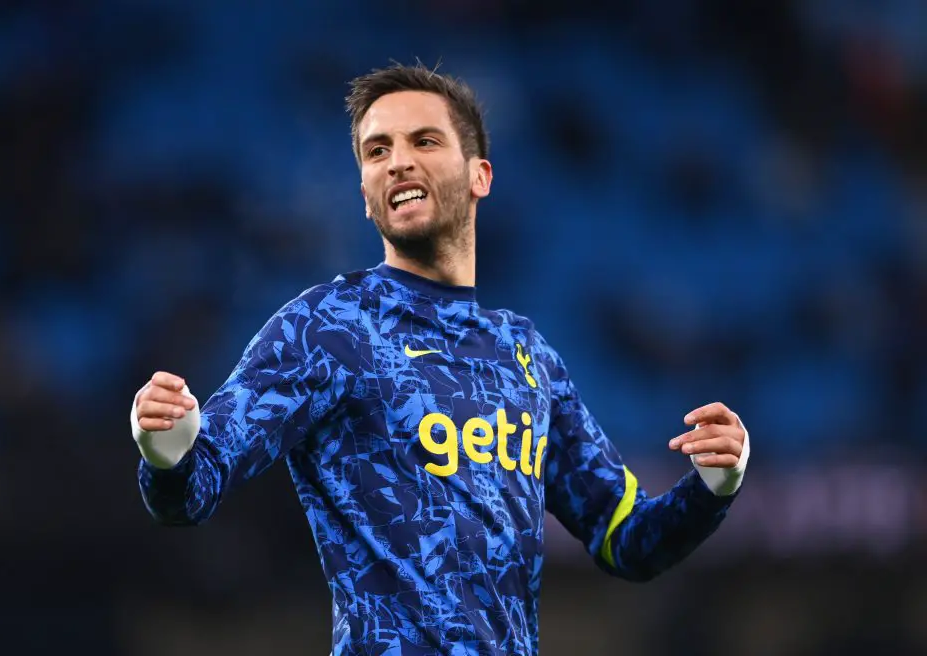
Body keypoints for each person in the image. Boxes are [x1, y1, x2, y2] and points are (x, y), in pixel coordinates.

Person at [130, 62, 751, 656]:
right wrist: (168, 452)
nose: (397, 161)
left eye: (423, 140)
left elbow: (626, 542)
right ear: (367, 197)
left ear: (480, 175)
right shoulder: (325, 328)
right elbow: (195, 486)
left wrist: (711, 490)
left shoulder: (526, 356)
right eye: (377, 151)